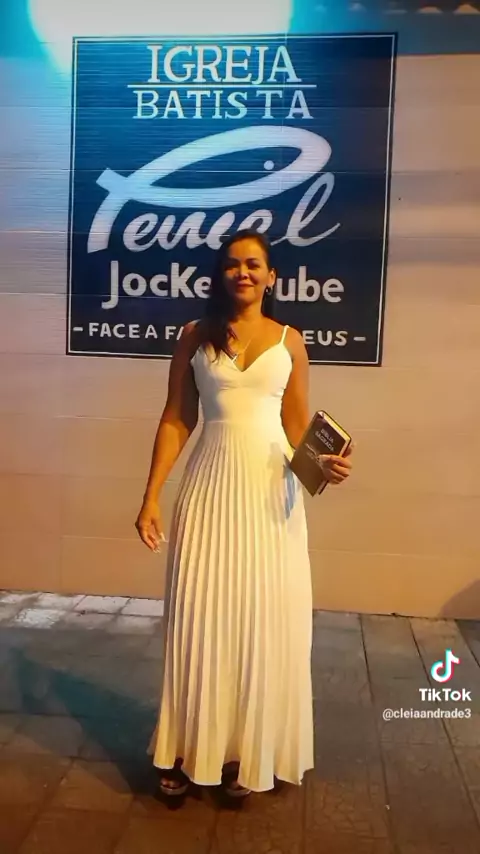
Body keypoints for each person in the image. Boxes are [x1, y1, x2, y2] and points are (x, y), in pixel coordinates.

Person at [135, 229, 353, 798]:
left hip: (270, 496)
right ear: (221, 274)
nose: (243, 272)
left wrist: (325, 466)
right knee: (200, 615)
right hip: (209, 487)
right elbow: (176, 418)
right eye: (233, 264)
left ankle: (245, 755)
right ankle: (187, 749)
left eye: (254, 264)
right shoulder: (193, 335)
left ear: (271, 276)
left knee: (261, 618)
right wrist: (151, 495)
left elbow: (298, 427)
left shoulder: (290, 341)